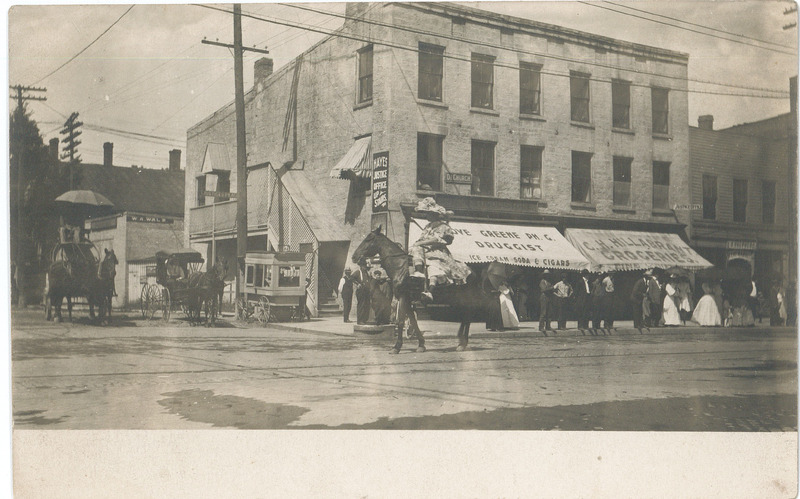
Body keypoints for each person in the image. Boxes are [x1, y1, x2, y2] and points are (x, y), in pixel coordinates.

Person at [409, 198, 472, 302]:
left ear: (434, 215)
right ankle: (419, 272)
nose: (426, 216)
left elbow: (437, 239)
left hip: (438, 252)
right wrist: (418, 242)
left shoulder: (443, 226)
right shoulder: (427, 227)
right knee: (415, 249)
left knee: (434, 268)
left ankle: (430, 291)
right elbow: (422, 238)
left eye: (428, 214)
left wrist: (422, 243)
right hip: (426, 251)